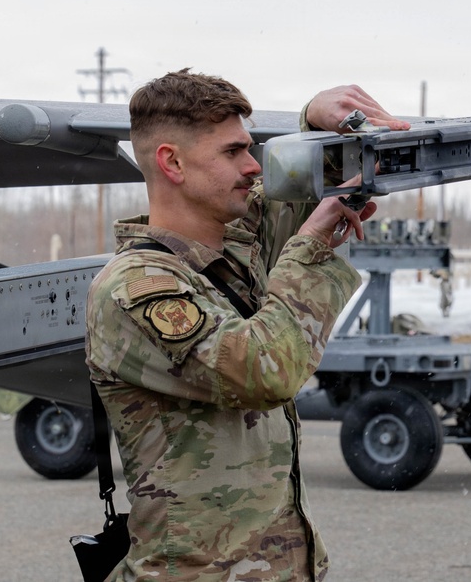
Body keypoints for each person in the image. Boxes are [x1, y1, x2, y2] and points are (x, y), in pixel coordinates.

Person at [85, 69, 410, 581]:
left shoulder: (230, 254)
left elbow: (289, 195)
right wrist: (310, 250)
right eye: (232, 152)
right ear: (172, 162)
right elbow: (265, 372)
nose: (253, 165)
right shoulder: (137, 286)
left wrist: (315, 120)